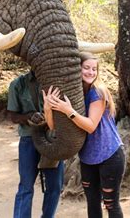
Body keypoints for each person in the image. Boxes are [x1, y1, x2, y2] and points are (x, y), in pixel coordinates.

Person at [43, 52, 125, 218]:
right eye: (86, 68)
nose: (90, 72)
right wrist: (48, 108)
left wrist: (68, 111)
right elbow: (53, 127)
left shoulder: (98, 92)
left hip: (110, 155)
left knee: (111, 205)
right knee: (93, 203)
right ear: (78, 69)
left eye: (94, 69)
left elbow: (91, 126)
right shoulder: (77, 94)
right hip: (88, 158)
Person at [7, 70, 65, 218]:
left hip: (52, 139)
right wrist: (28, 117)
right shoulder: (18, 84)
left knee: (55, 186)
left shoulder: (58, 82)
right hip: (28, 140)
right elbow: (12, 116)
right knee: (26, 186)